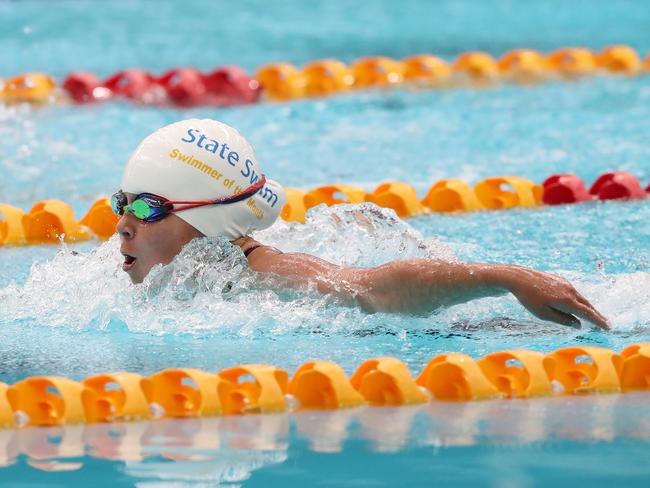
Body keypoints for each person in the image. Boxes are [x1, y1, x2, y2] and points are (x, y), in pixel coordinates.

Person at [114, 119, 610, 330]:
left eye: (146, 207)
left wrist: (509, 278)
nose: (121, 225)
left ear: (208, 220)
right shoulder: (155, 264)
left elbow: (379, 292)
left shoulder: (266, 274)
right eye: (123, 202)